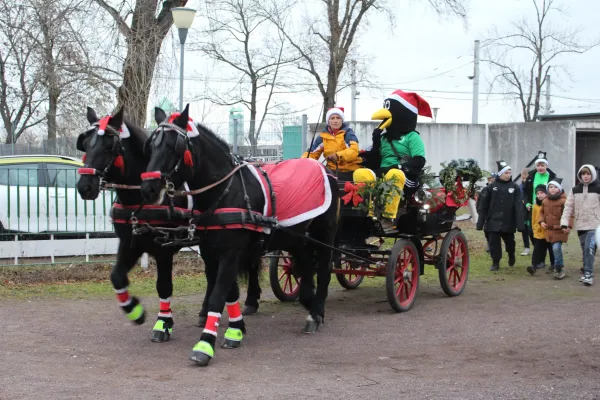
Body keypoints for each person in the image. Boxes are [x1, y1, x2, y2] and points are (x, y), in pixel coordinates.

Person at [353, 89, 432, 232]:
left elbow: (419, 161)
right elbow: (375, 163)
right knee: (361, 174)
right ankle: (367, 214)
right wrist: (376, 143)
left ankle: (388, 218)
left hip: (405, 176)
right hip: (383, 171)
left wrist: (400, 167)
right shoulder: (384, 138)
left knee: (394, 174)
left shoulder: (412, 137)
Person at [476, 160, 524, 271]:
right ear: (500, 174)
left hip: (508, 220)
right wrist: (481, 222)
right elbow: (483, 205)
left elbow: (518, 206)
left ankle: (511, 254)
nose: (508, 175)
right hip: (493, 220)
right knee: (494, 243)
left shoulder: (515, 187)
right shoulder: (491, 187)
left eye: (509, 173)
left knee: (510, 243)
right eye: (506, 173)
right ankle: (495, 262)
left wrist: (520, 224)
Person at [560, 165, 600, 286]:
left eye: (588, 174)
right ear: (580, 175)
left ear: (592, 175)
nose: (586, 176)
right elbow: (568, 207)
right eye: (583, 174)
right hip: (581, 225)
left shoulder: (598, 188)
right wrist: (564, 223)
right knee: (585, 250)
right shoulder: (575, 190)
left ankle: (588, 274)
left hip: (595, 224)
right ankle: (586, 269)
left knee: (589, 248)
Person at [303, 107, 361, 181]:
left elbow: (354, 151)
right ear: (328, 121)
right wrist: (303, 161)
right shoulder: (322, 136)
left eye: (338, 118)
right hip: (332, 171)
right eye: (332, 118)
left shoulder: (348, 133)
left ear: (342, 120)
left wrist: (338, 156)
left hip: (350, 170)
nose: (335, 121)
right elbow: (312, 153)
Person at [539, 178, 570, 280]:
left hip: (560, 229)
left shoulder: (564, 201)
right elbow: (541, 212)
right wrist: (542, 221)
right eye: (551, 187)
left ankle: (559, 268)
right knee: (554, 249)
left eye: (555, 187)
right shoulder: (545, 201)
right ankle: (557, 265)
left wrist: (568, 226)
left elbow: (569, 214)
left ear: (560, 189)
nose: (553, 189)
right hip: (549, 230)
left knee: (556, 248)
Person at [526, 185, 553, 275]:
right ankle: (533, 266)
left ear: (546, 193)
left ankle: (553, 265)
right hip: (538, 232)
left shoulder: (549, 203)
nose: (540, 195)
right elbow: (533, 219)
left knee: (551, 249)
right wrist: (534, 228)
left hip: (549, 231)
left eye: (542, 193)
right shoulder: (535, 206)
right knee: (536, 249)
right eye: (537, 193)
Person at [519, 168, 531, 256]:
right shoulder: (519, 187)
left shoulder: (531, 186)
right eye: (522, 178)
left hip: (530, 210)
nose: (524, 180)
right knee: (524, 230)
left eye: (525, 178)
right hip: (523, 211)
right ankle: (527, 248)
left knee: (531, 231)